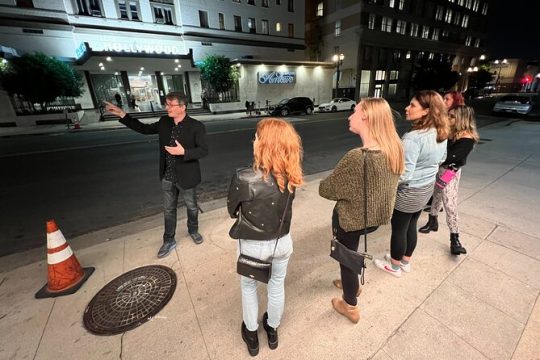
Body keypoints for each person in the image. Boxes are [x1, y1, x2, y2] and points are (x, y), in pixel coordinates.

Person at [319, 98, 404, 323]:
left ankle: (350, 304)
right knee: (352, 253)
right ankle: (353, 286)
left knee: (346, 258)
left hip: (350, 219)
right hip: (374, 218)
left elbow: (326, 189)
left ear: (365, 116)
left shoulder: (358, 157)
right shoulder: (394, 148)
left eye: (354, 111)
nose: (350, 116)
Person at [227, 118, 303, 356]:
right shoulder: (291, 175)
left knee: (249, 286)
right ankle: (272, 329)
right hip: (282, 243)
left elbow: (232, 210)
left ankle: (251, 334)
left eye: (257, 137)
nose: (254, 140)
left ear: (264, 144)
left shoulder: (243, 177)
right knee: (276, 285)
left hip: (252, 245)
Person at [104, 92, 208, 258]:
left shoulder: (196, 126)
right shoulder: (164, 122)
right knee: (168, 210)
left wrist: (184, 152)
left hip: (187, 176)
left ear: (182, 107)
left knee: (192, 206)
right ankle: (168, 240)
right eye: (166, 104)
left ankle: (193, 230)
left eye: (171, 105)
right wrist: (123, 115)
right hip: (167, 175)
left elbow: (203, 150)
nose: (167, 108)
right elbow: (144, 129)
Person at [374, 90, 449, 277]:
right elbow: (442, 158)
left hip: (409, 191)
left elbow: (404, 174)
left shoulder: (413, 138)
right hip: (425, 188)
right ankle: (405, 260)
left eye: (413, 105)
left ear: (426, 111)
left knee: (399, 229)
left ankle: (394, 266)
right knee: (411, 225)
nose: (407, 108)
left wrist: (385, 183)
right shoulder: (440, 132)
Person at [419, 105, 479, 255]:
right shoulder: (450, 133)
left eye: (452, 117)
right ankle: (432, 221)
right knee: (436, 196)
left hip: (449, 172)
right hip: (439, 169)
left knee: (449, 203)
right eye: (449, 115)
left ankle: (455, 238)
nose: (448, 118)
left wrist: (435, 155)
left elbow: (449, 157)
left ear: (461, 119)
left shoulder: (467, 138)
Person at [424, 90, 465, 212]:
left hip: (451, 162)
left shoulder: (458, 118)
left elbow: (461, 143)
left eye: (447, 99)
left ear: (455, 101)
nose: (444, 101)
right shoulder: (443, 114)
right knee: (437, 184)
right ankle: (435, 207)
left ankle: (437, 207)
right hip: (442, 156)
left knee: (446, 190)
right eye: (444, 98)